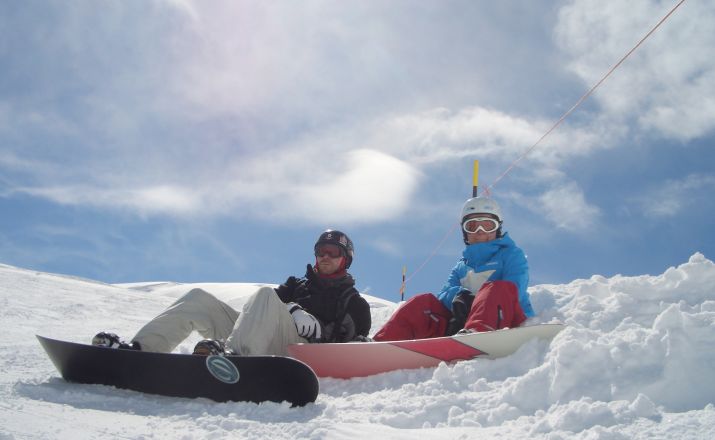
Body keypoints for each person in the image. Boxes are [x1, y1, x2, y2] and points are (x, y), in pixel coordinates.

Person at [92, 229, 372, 356]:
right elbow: (263, 312)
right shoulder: (296, 285)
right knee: (198, 298)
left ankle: (233, 358)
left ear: (345, 259)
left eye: (332, 252)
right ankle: (140, 350)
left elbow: (354, 350)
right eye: (320, 251)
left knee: (264, 295)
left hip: (300, 352)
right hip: (254, 341)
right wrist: (292, 309)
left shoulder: (354, 303)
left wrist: (320, 331)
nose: (325, 256)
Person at [373, 196, 535, 341]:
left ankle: (477, 334)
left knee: (498, 288)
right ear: (465, 232)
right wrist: (459, 296)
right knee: (423, 301)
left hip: (506, 320)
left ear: (497, 229)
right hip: (461, 325)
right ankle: (383, 343)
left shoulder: (512, 255)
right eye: (472, 226)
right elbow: (443, 295)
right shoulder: (461, 266)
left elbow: (515, 289)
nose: (480, 232)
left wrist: (477, 298)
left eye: (487, 225)